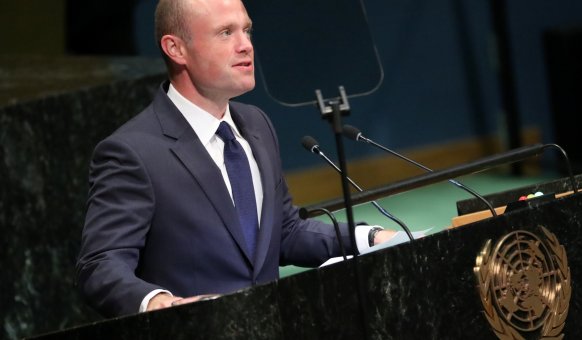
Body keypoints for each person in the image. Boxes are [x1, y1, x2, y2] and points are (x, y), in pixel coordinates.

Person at [76, 0, 394, 318]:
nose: (246, 46)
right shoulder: (132, 152)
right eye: (226, 33)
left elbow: (285, 232)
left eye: (247, 30)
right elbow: (101, 265)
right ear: (176, 49)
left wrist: (372, 237)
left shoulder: (256, 124)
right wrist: (162, 303)